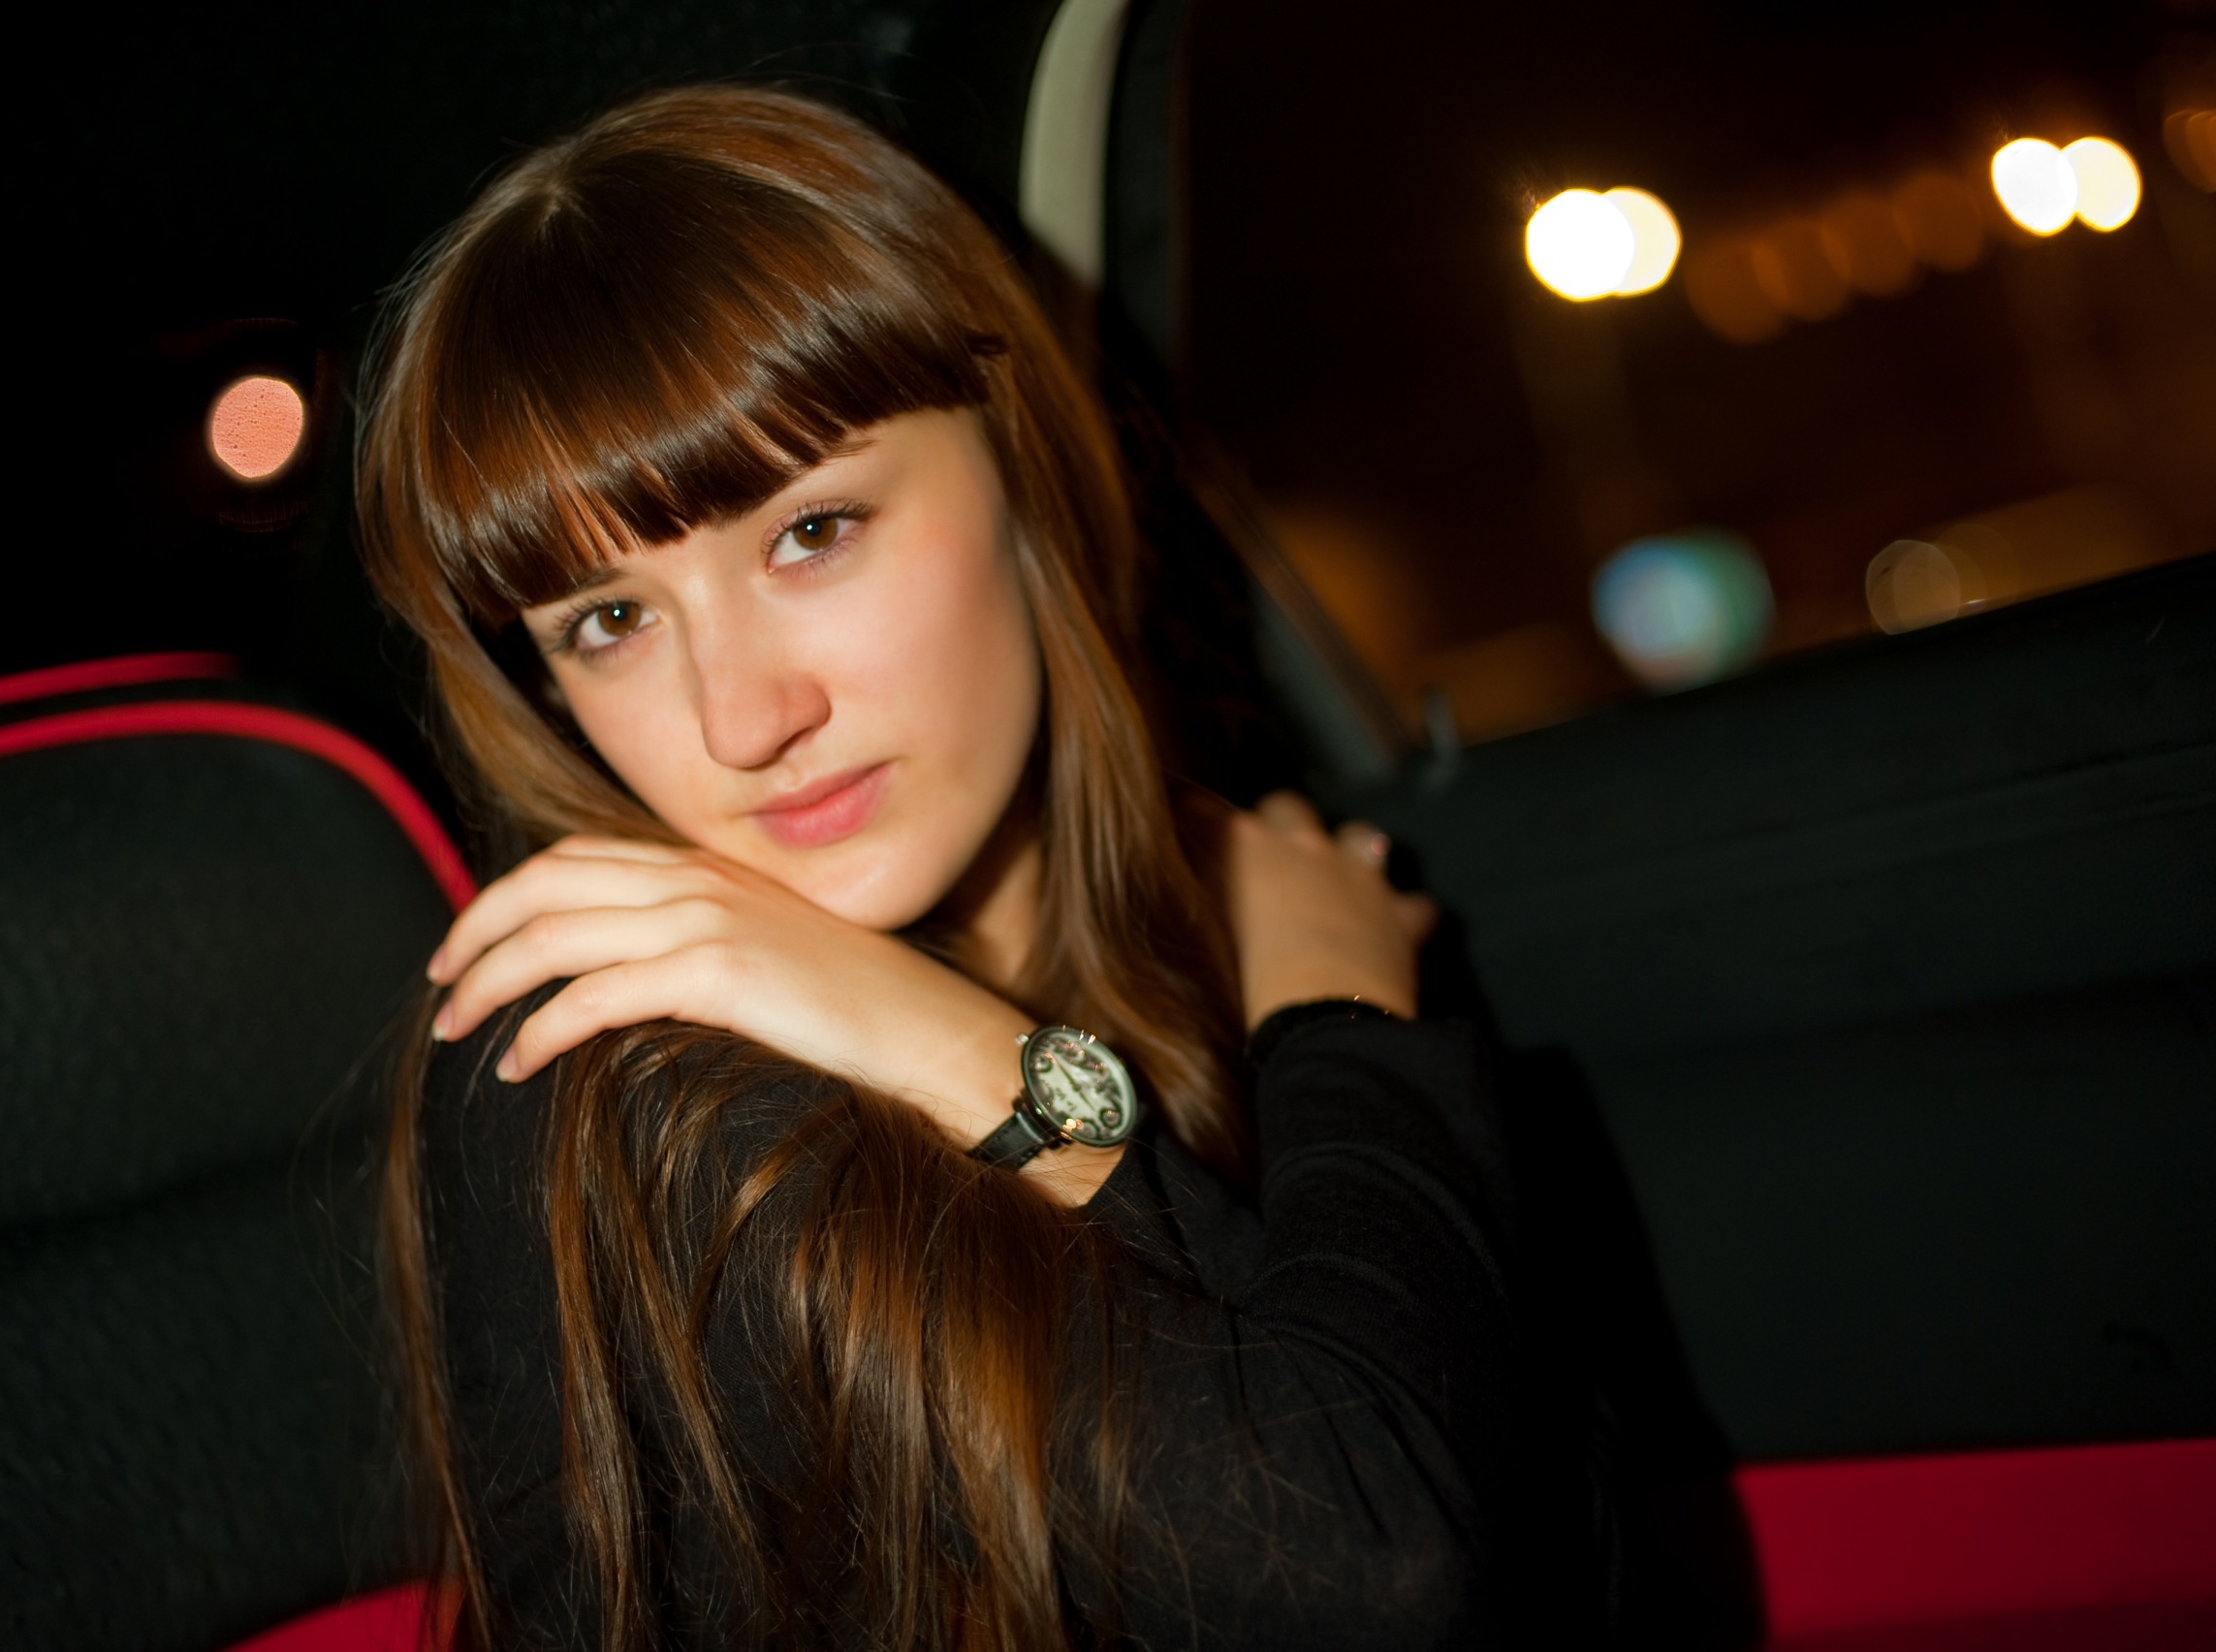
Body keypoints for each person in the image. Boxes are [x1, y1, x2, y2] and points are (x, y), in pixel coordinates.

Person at [360, 84, 1601, 1652]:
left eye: (811, 532)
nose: (744, 720)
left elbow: (1554, 1545)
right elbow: (1380, 1569)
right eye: (608, 620)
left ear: (1018, 463)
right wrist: (1328, 1021)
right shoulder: (603, 1069)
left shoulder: (1211, 909)